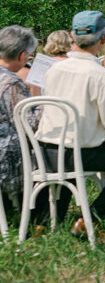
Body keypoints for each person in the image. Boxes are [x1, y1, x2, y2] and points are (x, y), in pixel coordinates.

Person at [37, 11, 105, 233]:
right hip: (80, 153)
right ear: (103, 39)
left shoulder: (52, 68)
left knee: (74, 152)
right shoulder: (100, 75)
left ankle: (42, 221)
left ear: (72, 37)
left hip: (45, 150)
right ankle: (93, 219)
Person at [0, 26, 42, 221]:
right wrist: (43, 103)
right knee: (57, 155)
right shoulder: (11, 83)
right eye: (29, 57)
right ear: (21, 55)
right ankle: (40, 215)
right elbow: (27, 125)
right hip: (6, 161)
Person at [24, 30, 73, 96]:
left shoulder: (42, 63)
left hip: (47, 103)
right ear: (69, 43)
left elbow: (34, 91)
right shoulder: (75, 63)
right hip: (70, 104)